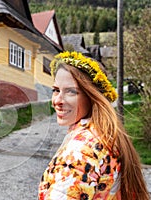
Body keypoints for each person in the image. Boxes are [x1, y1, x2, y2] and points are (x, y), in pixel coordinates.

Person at [38, 51, 149, 200]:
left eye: (71, 92)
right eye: (56, 90)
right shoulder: (106, 135)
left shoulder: (81, 150)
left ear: (92, 97)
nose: (57, 100)